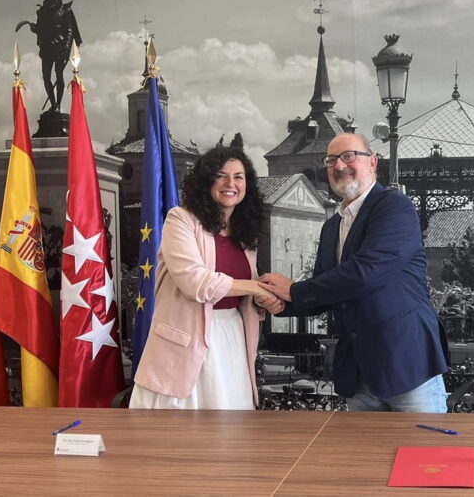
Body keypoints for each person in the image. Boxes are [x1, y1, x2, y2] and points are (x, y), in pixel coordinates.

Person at [259, 133, 449, 412]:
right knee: (363, 445)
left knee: (424, 442)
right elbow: (328, 290)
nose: (339, 165)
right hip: (359, 374)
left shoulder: (394, 207)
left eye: (349, 156)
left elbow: (366, 272)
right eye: (331, 160)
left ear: (372, 162)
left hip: (408, 366)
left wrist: (294, 291)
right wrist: (280, 303)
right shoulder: (331, 227)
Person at [130, 147, 283, 410]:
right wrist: (256, 287)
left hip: (233, 338)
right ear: (206, 181)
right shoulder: (180, 220)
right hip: (185, 342)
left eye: (238, 177)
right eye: (221, 176)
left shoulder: (245, 233)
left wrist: (262, 300)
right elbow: (195, 283)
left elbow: (241, 291)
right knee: (180, 427)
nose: (231, 184)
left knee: (231, 424)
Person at [16, 0, 82, 112]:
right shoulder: (42, 11)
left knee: (59, 74)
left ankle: (58, 105)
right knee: (46, 77)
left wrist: (67, 46)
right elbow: (41, 29)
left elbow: (69, 30)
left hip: (59, 46)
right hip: (46, 47)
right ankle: (53, 104)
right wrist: (34, 28)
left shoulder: (64, 9)